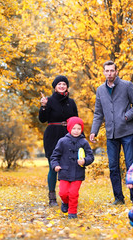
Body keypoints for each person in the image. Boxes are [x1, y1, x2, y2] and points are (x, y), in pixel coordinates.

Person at [90, 60, 133, 205]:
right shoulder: (100, 90)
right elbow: (98, 113)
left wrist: (127, 116)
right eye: (106, 71)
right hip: (111, 134)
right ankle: (118, 198)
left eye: (112, 70)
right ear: (103, 72)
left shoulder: (127, 86)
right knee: (113, 167)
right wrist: (93, 131)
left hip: (127, 132)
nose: (109, 73)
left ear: (116, 71)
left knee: (131, 165)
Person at [39, 75, 78, 207]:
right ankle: (52, 197)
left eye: (64, 84)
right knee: (53, 167)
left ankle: (66, 196)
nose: (62, 86)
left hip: (68, 136)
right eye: (59, 84)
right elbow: (42, 119)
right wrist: (43, 107)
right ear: (55, 86)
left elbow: (76, 121)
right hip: (52, 136)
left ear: (67, 87)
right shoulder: (48, 100)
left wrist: (81, 137)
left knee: (67, 167)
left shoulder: (71, 102)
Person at [50, 117, 94, 219]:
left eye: (79, 129)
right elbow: (55, 156)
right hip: (64, 172)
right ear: (69, 128)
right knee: (63, 193)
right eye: (74, 128)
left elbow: (90, 156)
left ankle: (72, 212)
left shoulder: (84, 142)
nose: (76, 131)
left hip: (78, 173)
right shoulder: (62, 141)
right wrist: (55, 165)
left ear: (81, 129)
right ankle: (65, 202)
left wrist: (84, 161)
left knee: (73, 193)